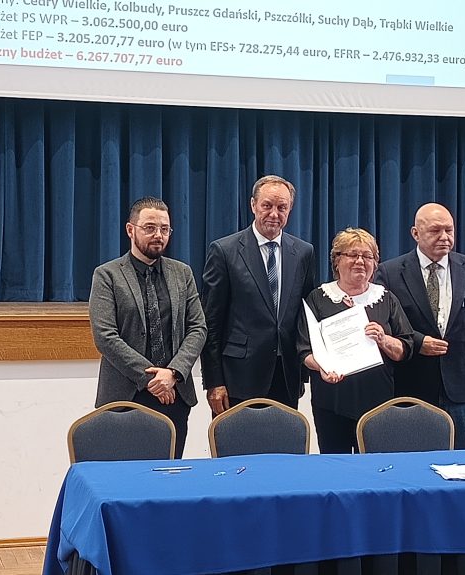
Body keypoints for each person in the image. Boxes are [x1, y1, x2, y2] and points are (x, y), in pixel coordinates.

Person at [89, 197, 207, 458]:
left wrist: (173, 373)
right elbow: (105, 336)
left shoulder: (182, 273)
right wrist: (153, 379)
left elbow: (198, 328)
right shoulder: (107, 275)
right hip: (126, 396)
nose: (158, 235)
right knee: (126, 475)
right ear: (130, 230)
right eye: (150, 228)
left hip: (174, 393)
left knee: (169, 472)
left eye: (165, 229)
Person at [376, 203, 465, 449]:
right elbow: (385, 327)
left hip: (463, 386)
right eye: (435, 231)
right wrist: (418, 342)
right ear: (415, 233)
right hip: (412, 383)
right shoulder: (390, 272)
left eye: (449, 230)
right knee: (414, 458)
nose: (444, 237)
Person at [201, 175, 317, 415]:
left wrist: (303, 372)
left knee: (285, 439)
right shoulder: (224, 251)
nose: (274, 213)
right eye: (267, 205)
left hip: (286, 375)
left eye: (282, 207)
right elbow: (211, 322)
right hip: (237, 378)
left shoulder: (304, 253)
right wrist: (214, 381)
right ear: (253, 205)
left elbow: (305, 315)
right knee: (236, 440)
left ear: (290, 209)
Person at [298, 228, 414, 453]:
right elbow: (304, 350)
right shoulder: (318, 298)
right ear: (336, 260)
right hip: (331, 402)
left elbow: (405, 349)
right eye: (352, 255)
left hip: (378, 402)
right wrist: (322, 367)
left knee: (376, 466)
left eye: (368, 256)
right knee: (335, 465)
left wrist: (384, 339)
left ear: (375, 264)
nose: (360, 261)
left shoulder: (385, 298)